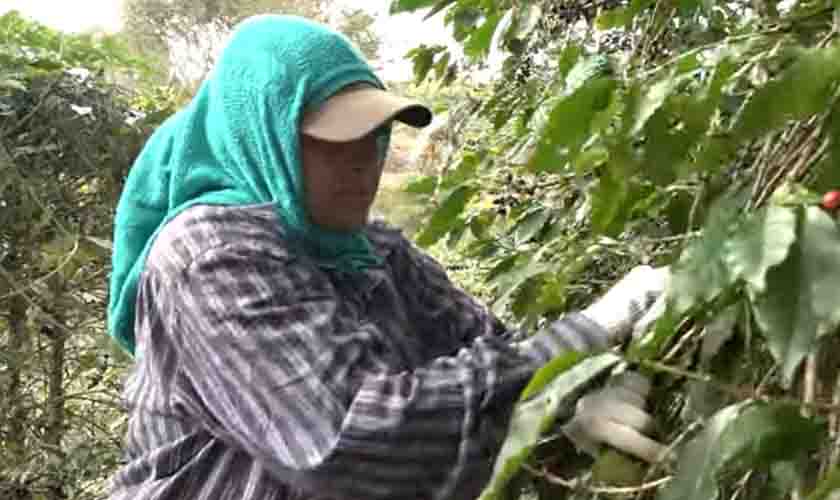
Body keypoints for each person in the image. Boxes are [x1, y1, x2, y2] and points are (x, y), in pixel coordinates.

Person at [106, 14, 669, 500]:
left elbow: (494, 351)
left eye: (372, 137)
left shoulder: (372, 252)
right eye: (330, 141)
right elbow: (346, 435)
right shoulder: (207, 255)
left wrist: (568, 403)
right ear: (263, 136)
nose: (361, 163)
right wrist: (590, 331)